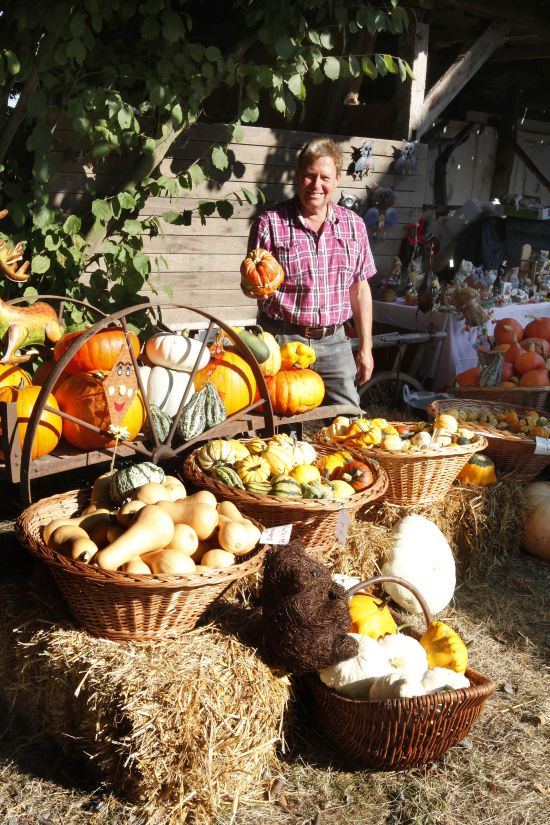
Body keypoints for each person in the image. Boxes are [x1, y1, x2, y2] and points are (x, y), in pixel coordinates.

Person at [247, 137, 376, 409]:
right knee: (280, 419)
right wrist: (251, 287)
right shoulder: (270, 224)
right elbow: (254, 283)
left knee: (349, 417)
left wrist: (366, 347)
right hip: (282, 340)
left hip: (335, 342)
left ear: (338, 179)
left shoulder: (354, 225)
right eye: (309, 176)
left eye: (325, 178)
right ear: (298, 176)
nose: (316, 185)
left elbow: (360, 289)